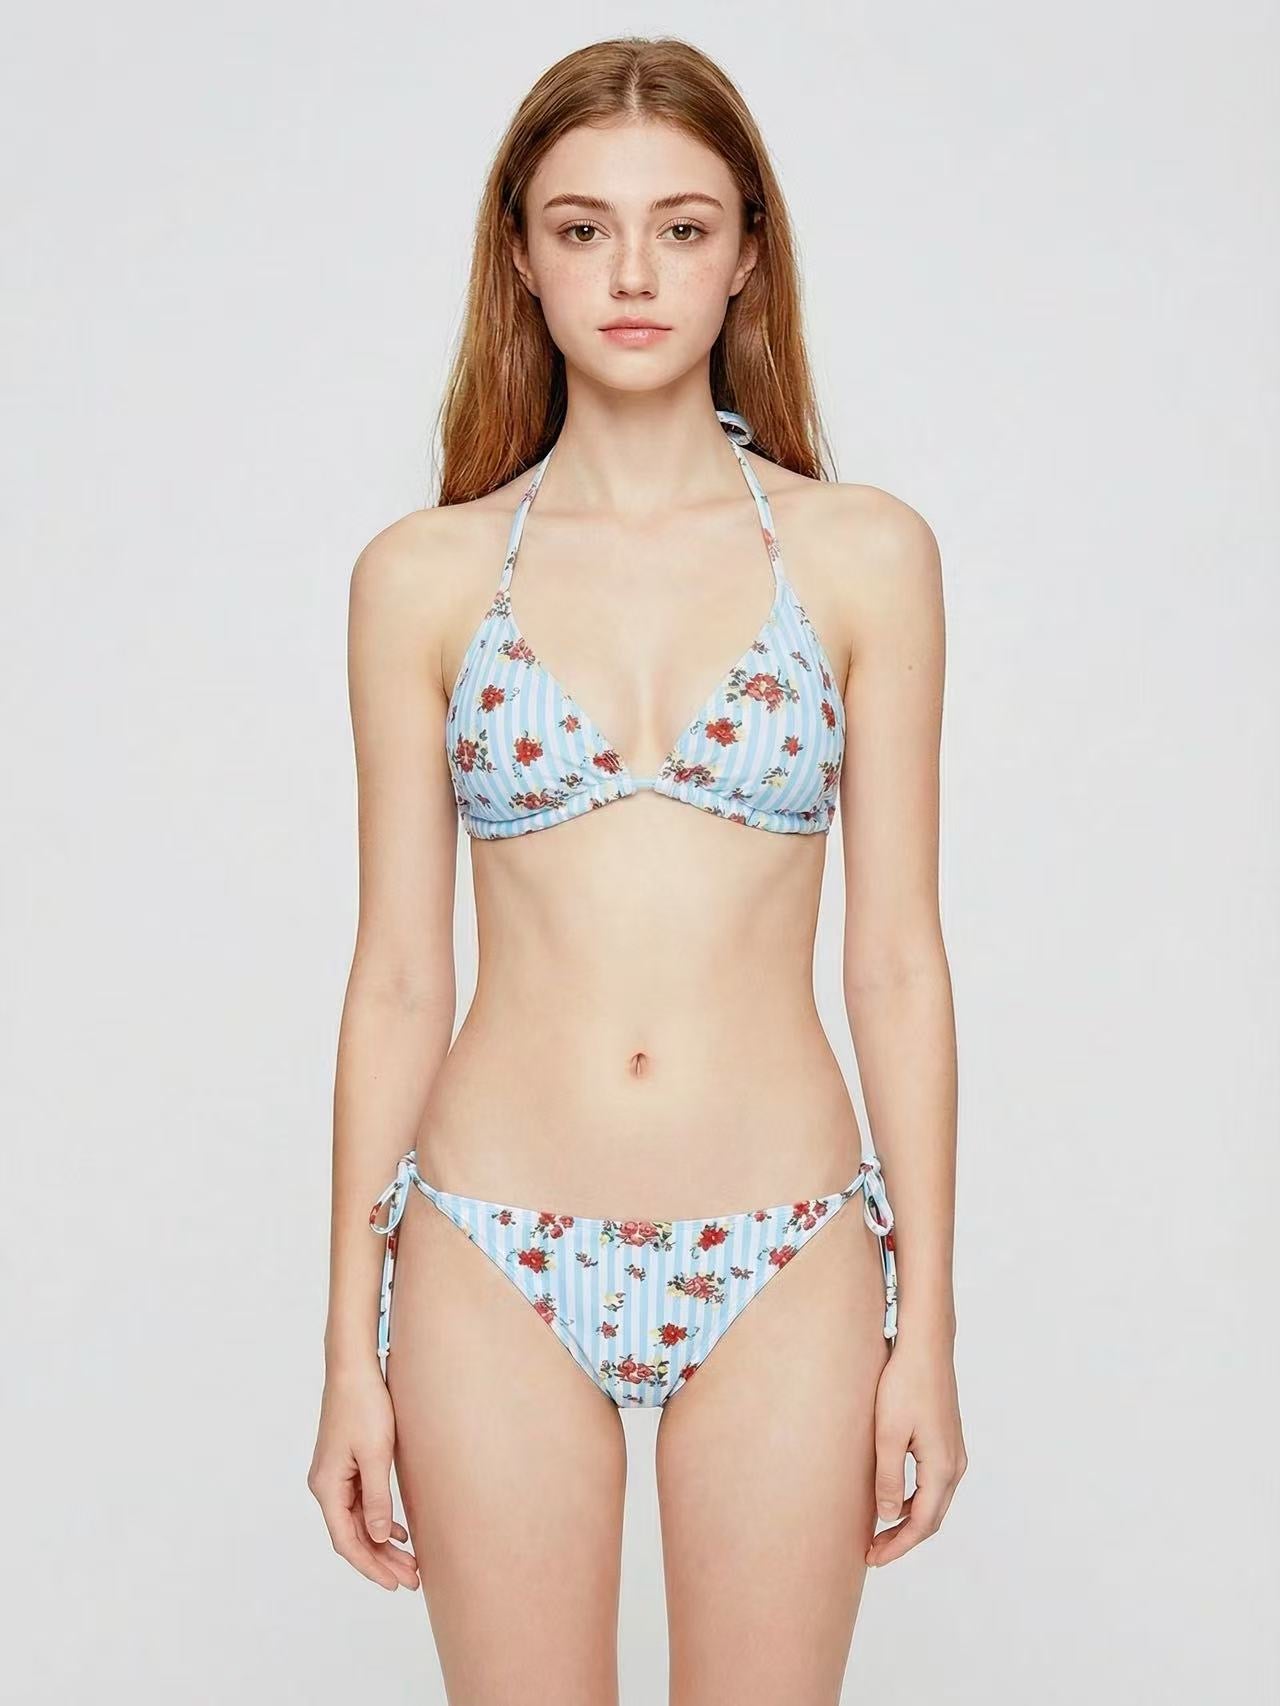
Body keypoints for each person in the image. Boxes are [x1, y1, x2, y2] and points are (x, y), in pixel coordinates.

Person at [308, 33, 966, 1704]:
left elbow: (897, 960)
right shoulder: (421, 577)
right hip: (488, 1244)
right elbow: (399, 973)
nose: (632, 272)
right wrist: (346, 1346)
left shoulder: (865, 556)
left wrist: (933, 1327)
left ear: (747, 252)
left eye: (681, 227)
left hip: (786, 1243)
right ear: (522, 257)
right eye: (583, 227)